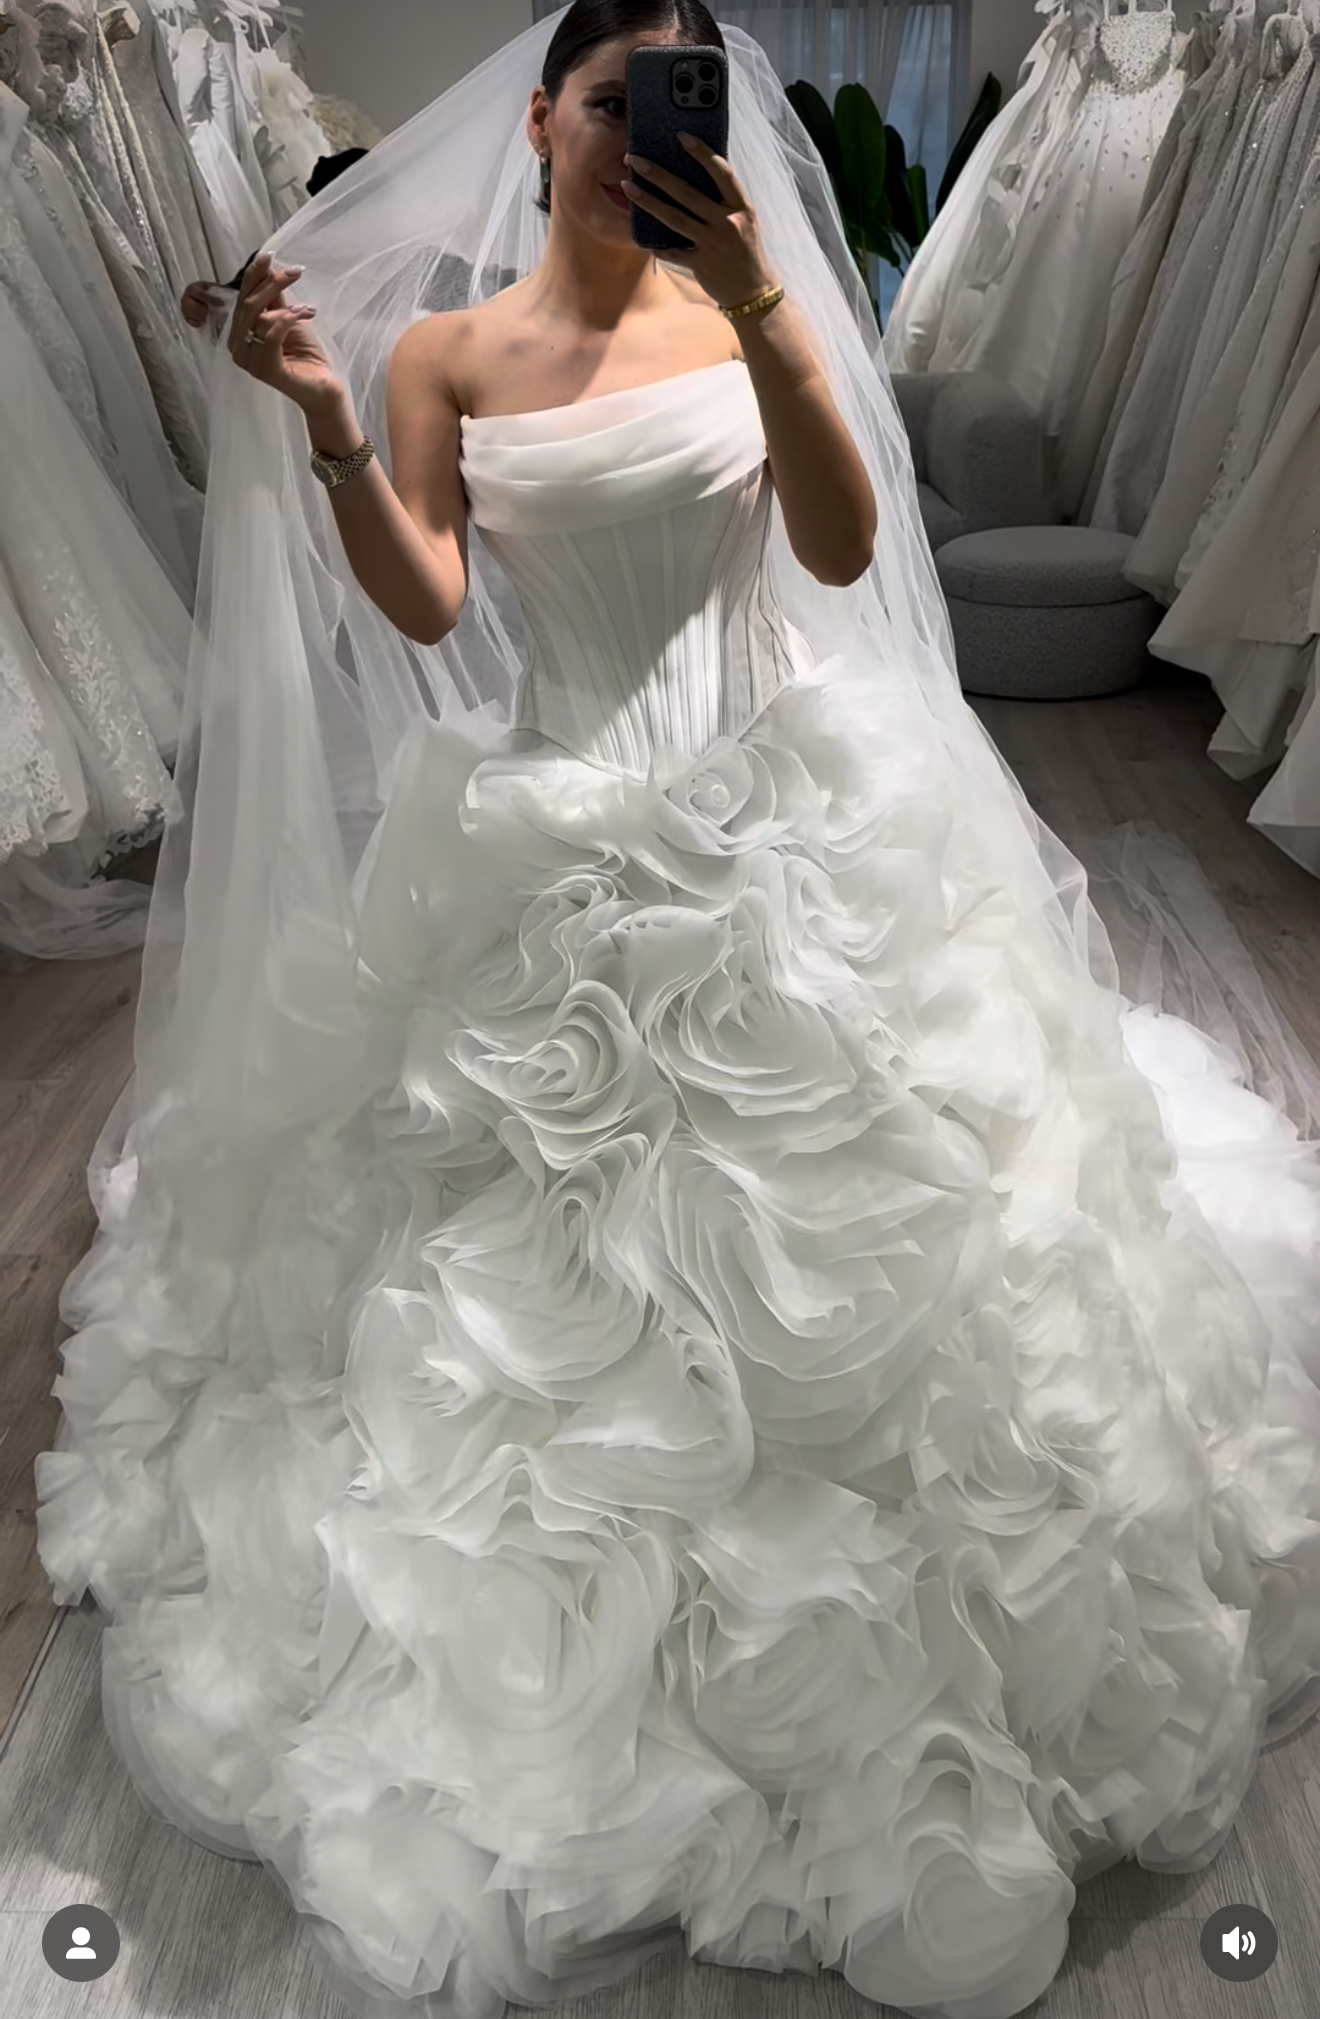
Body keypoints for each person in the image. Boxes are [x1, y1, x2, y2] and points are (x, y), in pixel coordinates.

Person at [33, 8, 1320, 2019]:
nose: (640, 129)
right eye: (609, 98)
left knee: (900, 1242)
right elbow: (429, 602)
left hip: (783, 818)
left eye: (677, 100)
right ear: (539, 120)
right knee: (500, 1279)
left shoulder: (745, 312)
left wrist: (769, 310)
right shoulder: (445, 351)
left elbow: (841, 542)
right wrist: (332, 422)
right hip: (545, 823)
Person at [178, 148, 369, 333]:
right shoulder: (292, 241)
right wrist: (211, 296)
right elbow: (241, 293)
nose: (321, 158)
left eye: (336, 159)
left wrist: (216, 298)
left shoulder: (296, 248)